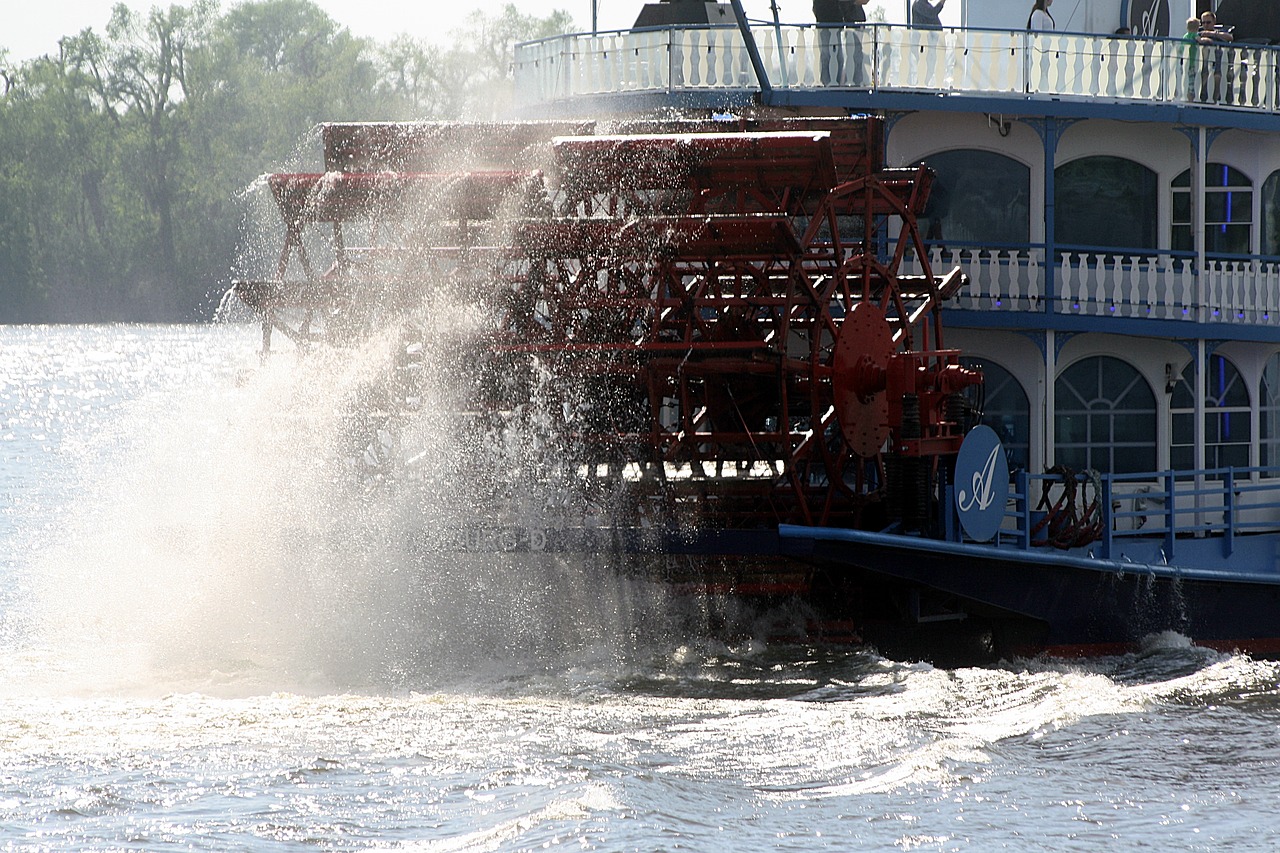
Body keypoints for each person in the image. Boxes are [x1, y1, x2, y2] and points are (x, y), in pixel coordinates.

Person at [814, 0, 845, 85]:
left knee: (838, 58)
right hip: (825, 23)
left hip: (834, 24)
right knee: (827, 56)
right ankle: (827, 82)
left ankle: (835, 82)